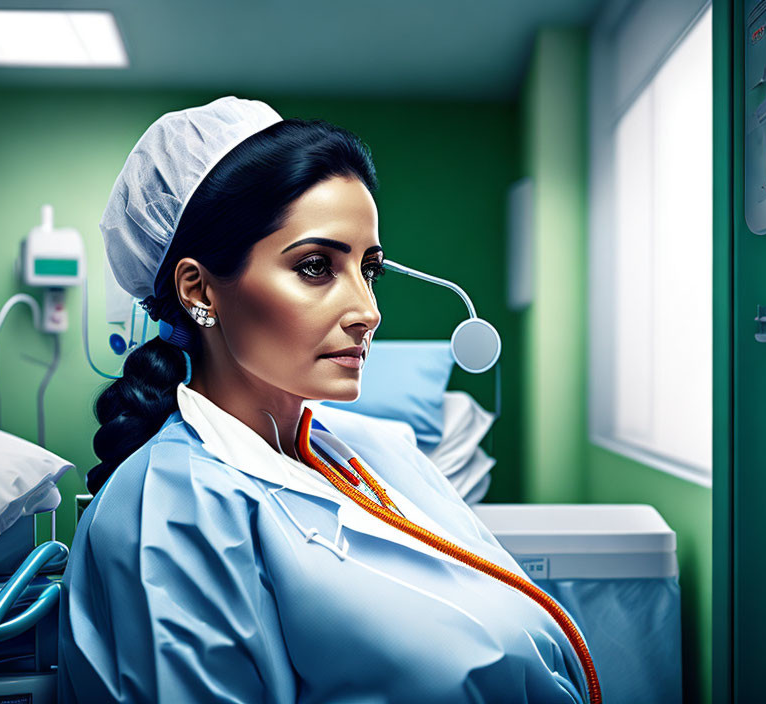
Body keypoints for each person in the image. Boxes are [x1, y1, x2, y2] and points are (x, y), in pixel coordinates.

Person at [57, 96, 597, 703]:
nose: (369, 312)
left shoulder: (376, 451)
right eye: (316, 267)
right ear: (198, 288)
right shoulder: (164, 516)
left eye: (370, 269)